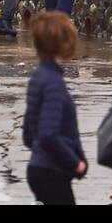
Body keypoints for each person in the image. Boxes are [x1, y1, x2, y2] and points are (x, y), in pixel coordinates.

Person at [22, 12, 88, 205]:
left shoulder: (38, 77)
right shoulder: (54, 83)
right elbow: (48, 134)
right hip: (52, 172)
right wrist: (75, 162)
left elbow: (28, 135)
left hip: (37, 168)